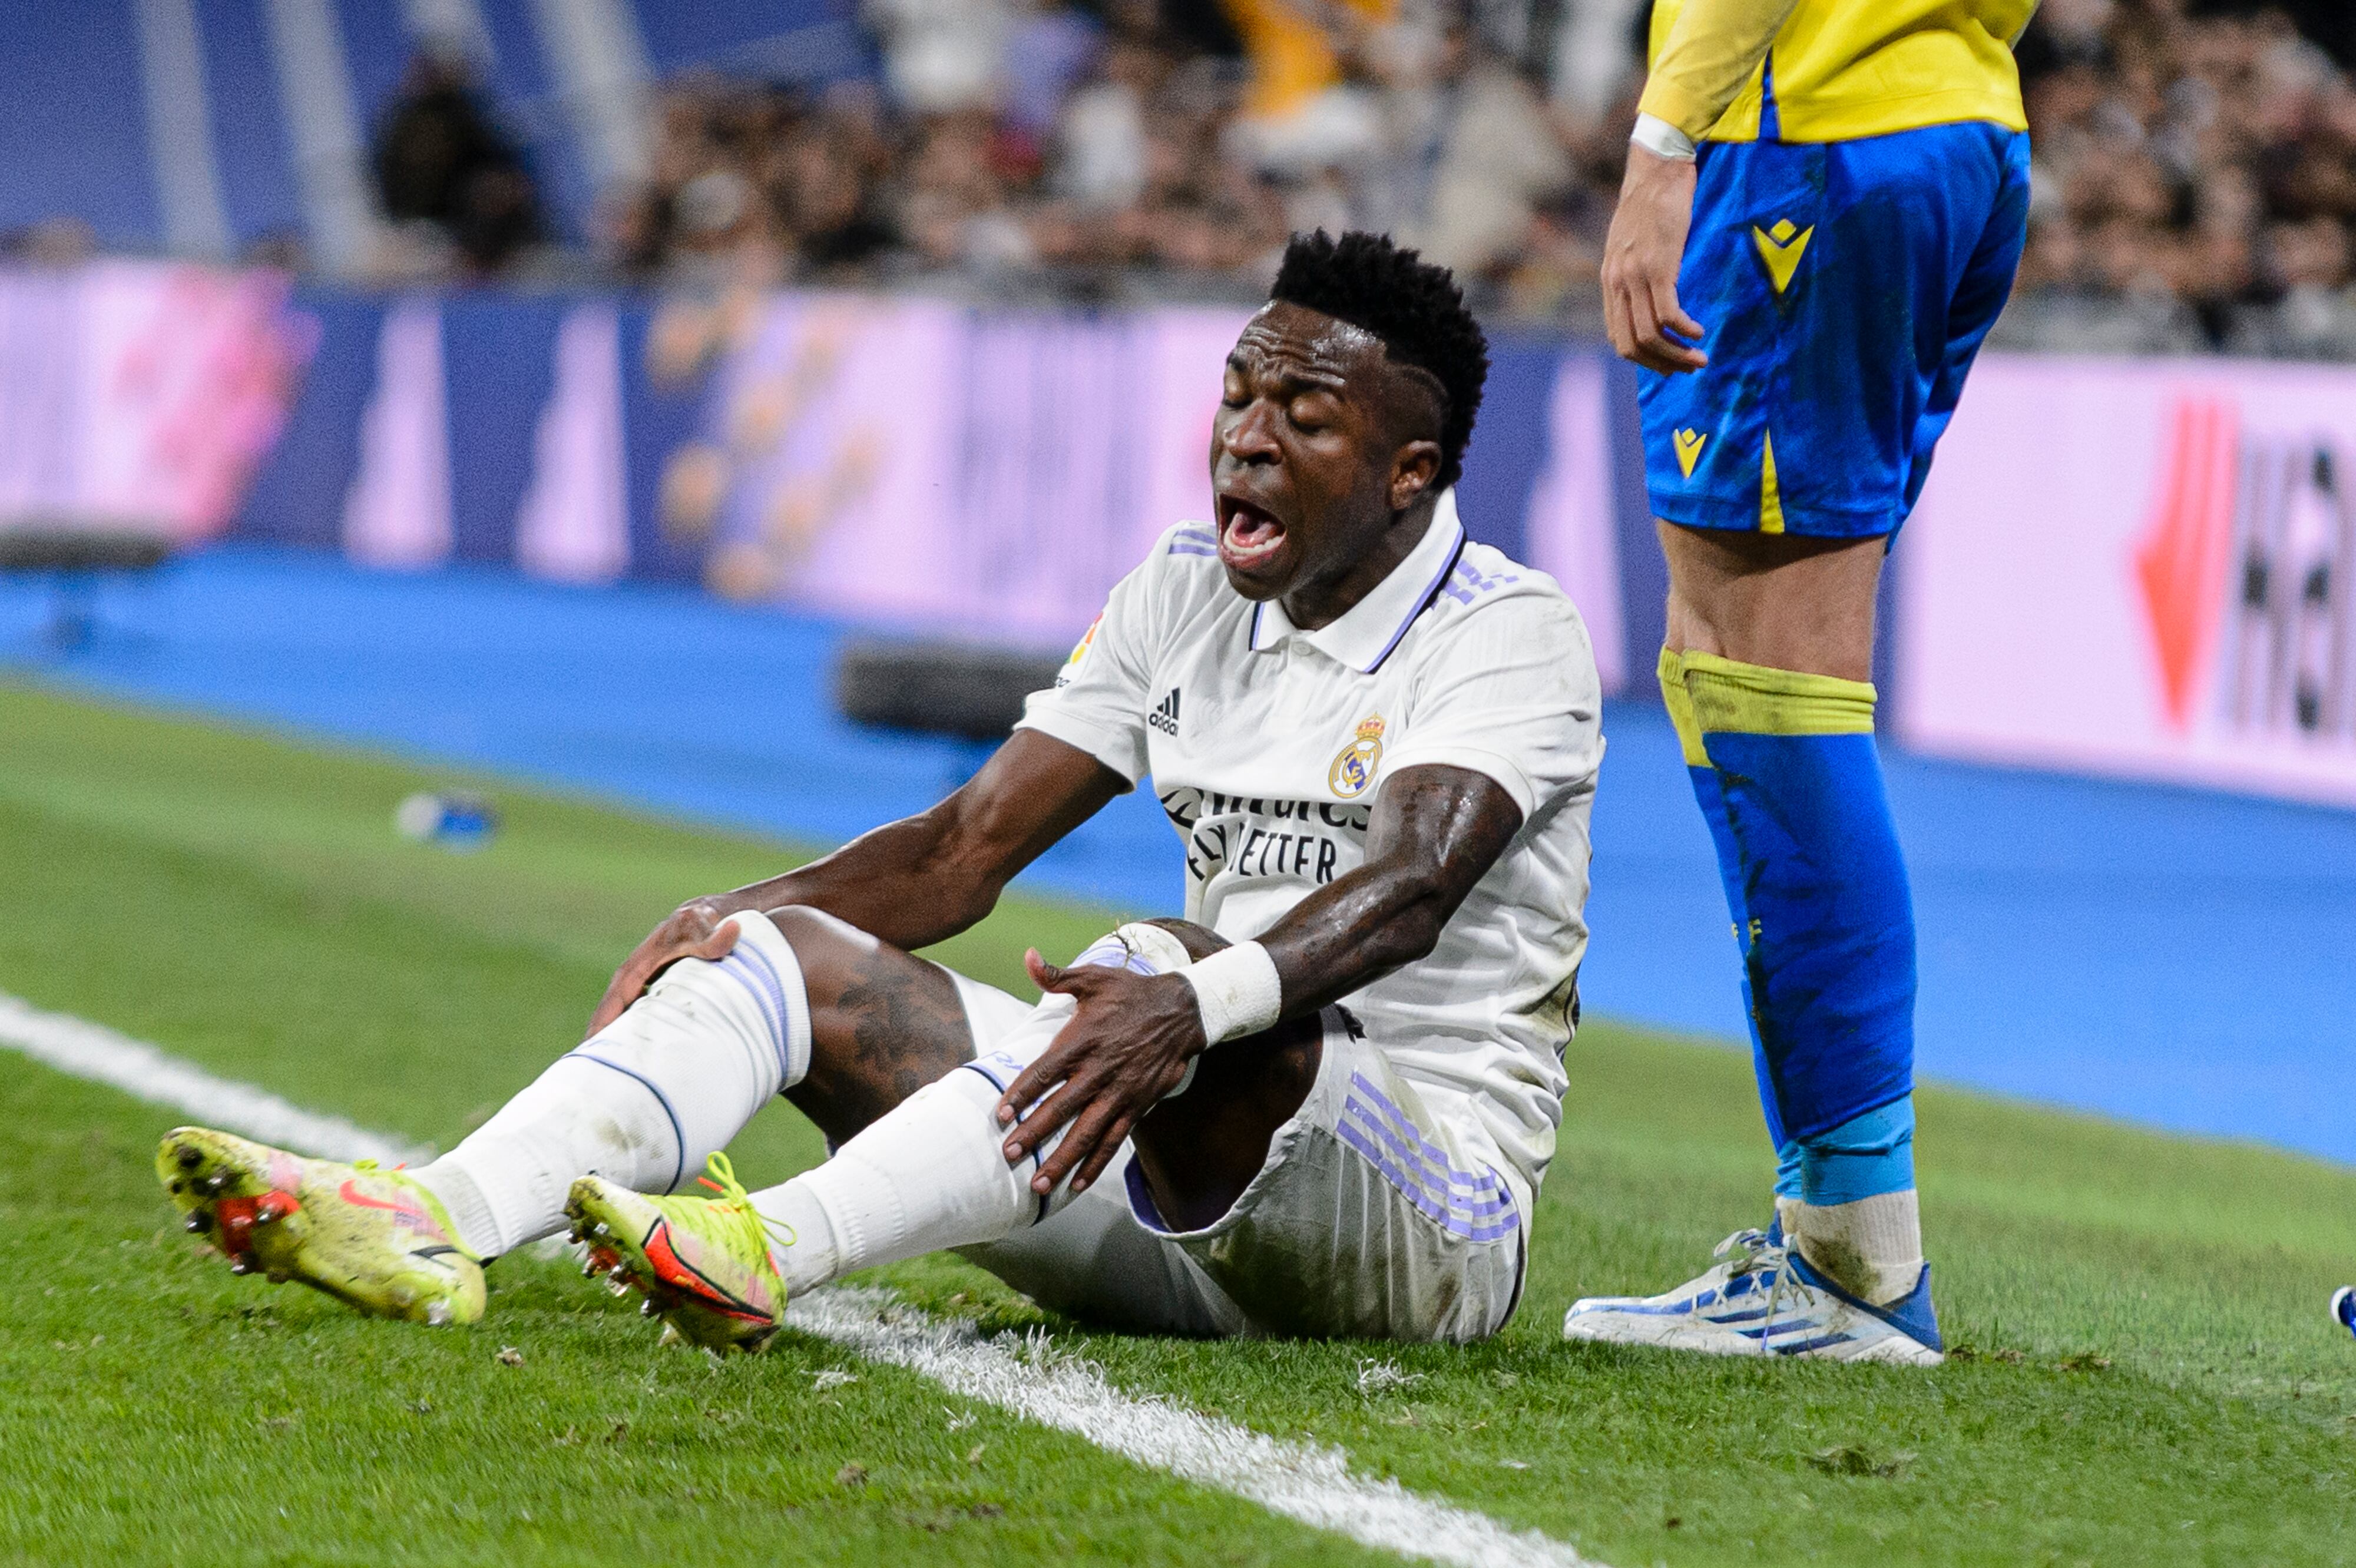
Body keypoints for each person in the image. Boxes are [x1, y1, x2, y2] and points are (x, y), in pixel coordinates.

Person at [155, 231, 1603, 1348]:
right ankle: (438, 1217)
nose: (1245, 434)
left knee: (1159, 964)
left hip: (1426, 1226)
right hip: (1169, 1194)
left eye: (1303, 412)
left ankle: (763, 1249)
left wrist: (1180, 1000)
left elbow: (1409, 888)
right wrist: (731, 909)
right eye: (1236, 393)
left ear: (1409, 473)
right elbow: (966, 846)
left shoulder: (1505, 630)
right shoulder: (1181, 587)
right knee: (778, 962)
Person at [1556, 0, 2038, 1366]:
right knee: (1777, 669)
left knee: (1754, 672)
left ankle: (1849, 1261)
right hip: (1960, 126)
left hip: (1808, 133)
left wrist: (1662, 147)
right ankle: (1844, 1243)